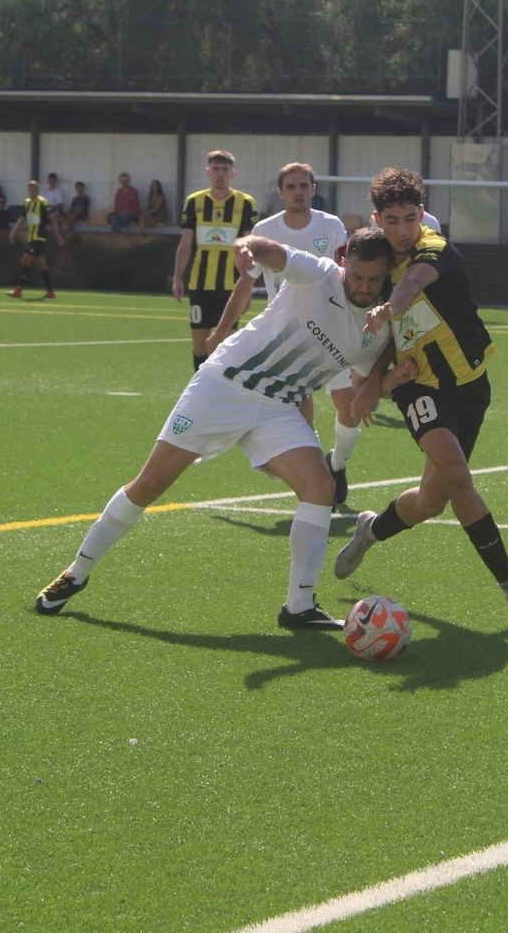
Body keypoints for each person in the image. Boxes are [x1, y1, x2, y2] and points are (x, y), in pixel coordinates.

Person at [36, 227, 399, 628]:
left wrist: (388, 381)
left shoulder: (378, 329)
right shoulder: (319, 273)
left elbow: (367, 379)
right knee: (149, 483)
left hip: (278, 408)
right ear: (345, 263)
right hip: (223, 387)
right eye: (358, 277)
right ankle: (76, 572)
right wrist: (246, 249)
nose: (364, 288)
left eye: (374, 280)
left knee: (320, 488)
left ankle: (299, 606)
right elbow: (269, 249)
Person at [334, 168, 508, 623]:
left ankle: (371, 529)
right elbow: (391, 331)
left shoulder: (435, 249)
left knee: (432, 501)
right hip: (418, 386)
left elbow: (413, 286)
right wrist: (374, 380)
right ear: (378, 219)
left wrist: (387, 308)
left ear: (423, 214)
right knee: (457, 474)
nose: (402, 230)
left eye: (409, 218)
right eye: (391, 220)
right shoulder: (376, 260)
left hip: (470, 385)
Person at [206, 162, 366, 505]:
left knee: (348, 409)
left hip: (333, 331)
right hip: (288, 338)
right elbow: (245, 283)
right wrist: (222, 329)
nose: (298, 192)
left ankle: (336, 464)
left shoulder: (331, 225)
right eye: (291, 186)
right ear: (280, 193)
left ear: (313, 189)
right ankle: (314, 482)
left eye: (304, 186)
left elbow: (349, 273)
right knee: (297, 413)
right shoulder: (265, 230)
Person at [174, 149, 258, 370]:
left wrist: (247, 289)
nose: (220, 173)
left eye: (225, 169)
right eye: (216, 169)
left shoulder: (245, 203)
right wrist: (177, 278)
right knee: (200, 345)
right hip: (199, 284)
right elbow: (185, 244)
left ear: (233, 173)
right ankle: (199, 390)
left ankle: (220, 393)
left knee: (224, 345)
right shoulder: (194, 202)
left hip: (232, 286)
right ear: (208, 172)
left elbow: (249, 247)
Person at [7, 179, 66, 299]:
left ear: (38, 190)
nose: (32, 190)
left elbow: (53, 219)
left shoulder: (43, 202)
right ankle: (50, 291)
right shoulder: (27, 202)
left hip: (39, 237)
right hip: (31, 236)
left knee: (26, 260)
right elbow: (22, 219)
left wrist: (57, 235)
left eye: (35, 188)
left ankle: (19, 289)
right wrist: (13, 233)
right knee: (40, 264)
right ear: (27, 190)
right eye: (30, 188)